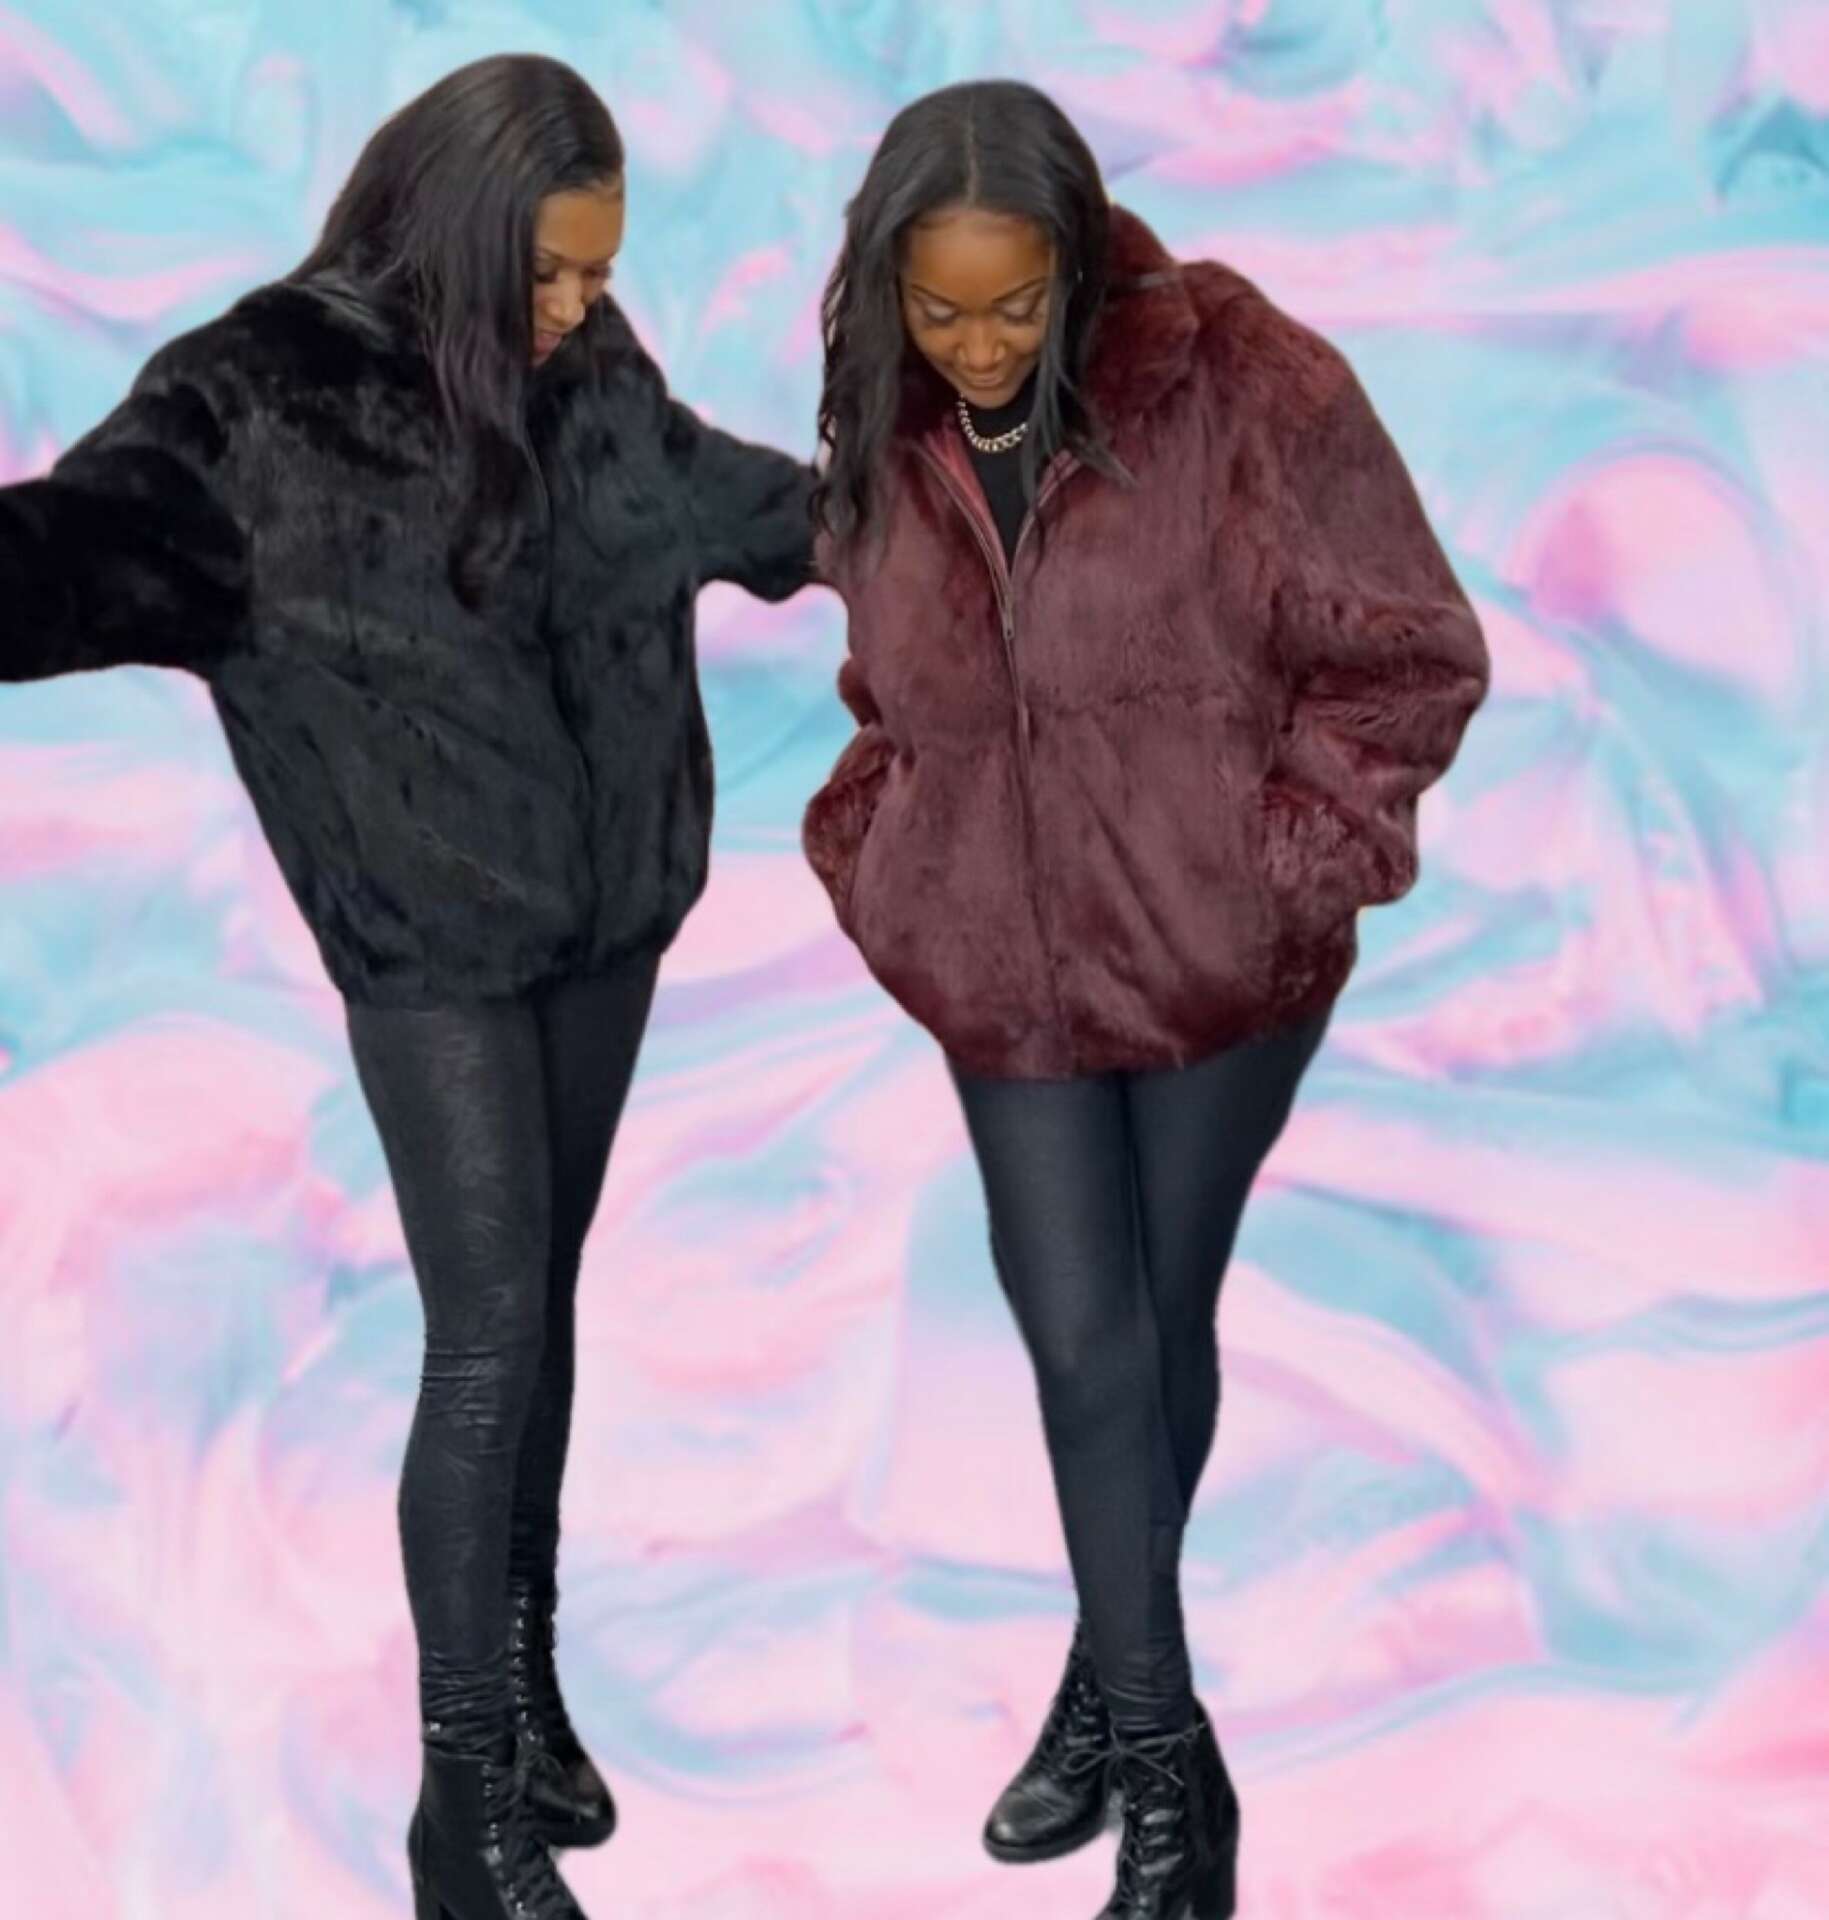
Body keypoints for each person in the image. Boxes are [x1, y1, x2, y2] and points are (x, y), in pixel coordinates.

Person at [0, 54, 814, 1920]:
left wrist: (899, 527)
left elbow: (716, 495)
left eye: (599, 274)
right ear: (446, 229)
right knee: (486, 1336)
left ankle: (523, 1698)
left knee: (544, 1311)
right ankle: (463, 1811)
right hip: (433, 953)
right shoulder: (251, 403)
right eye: (549, 272)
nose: (580, 309)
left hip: (609, 920)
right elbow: (52, 560)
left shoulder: (586, 370)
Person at [804, 79, 1488, 1920]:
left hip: (1215, 963)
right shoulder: (883, 411)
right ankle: (1170, 1762)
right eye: (936, 311)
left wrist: (1278, 865)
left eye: (1013, 306)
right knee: (1084, 1343)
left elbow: (1411, 657)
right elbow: (884, 681)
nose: (975, 347)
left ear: (1081, 265)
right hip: (1001, 972)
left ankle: (1111, 1689)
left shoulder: (1247, 382)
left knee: (1153, 1316)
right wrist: (889, 850)